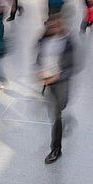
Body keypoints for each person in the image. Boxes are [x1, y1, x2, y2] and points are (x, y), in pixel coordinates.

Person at [37, 14, 76, 164]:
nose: (50, 29)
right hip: (47, 81)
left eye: (53, 26)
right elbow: (39, 56)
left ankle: (56, 149)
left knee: (57, 114)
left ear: (60, 26)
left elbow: (73, 66)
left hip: (60, 82)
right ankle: (61, 122)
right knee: (53, 113)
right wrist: (40, 70)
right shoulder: (44, 38)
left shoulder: (68, 43)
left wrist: (57, 76)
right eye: (49, 26)